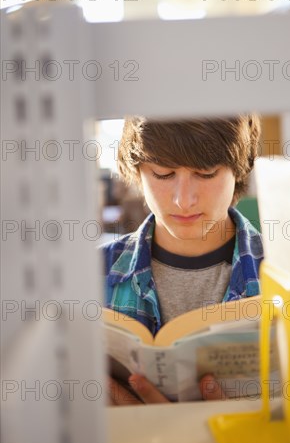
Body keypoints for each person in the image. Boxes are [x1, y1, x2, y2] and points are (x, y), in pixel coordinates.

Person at [102, 115, 264, 405]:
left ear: (240, 168)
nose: (184, 200)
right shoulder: (87, 274)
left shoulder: (289, 270)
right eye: (164, 174)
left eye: (207, 173)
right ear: (136, 171)